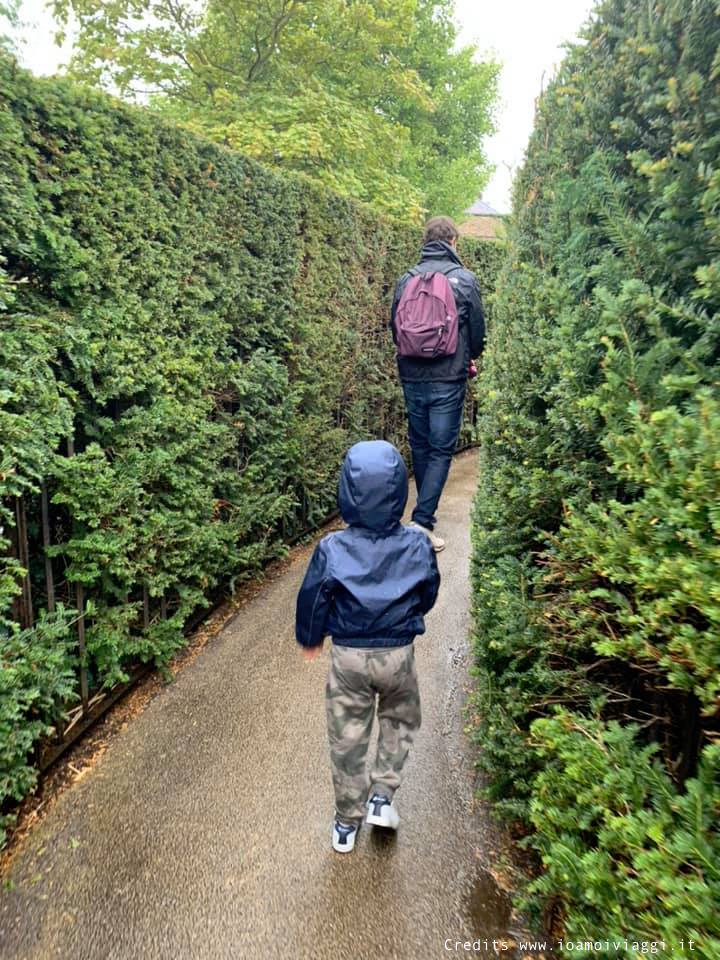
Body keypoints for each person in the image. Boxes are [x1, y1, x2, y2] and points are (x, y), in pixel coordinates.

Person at [295, 440, 440, 853]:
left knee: (347, 736)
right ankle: (382, 795)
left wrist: (311, 638)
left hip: (349, 658)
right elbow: (428, 591)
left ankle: (345, 823)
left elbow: (314, 597)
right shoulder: (417, 543)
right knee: (400, 718)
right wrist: (409, 617)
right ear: (399, 492)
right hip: (398, 654)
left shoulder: (332, 548)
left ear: (346, 491)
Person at [390, 215, 485, 552]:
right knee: (442, 448)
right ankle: (422, 521)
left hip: (412, 374)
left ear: (425, 241)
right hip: (448, 376)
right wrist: (469, 356)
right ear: (453, 242)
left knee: (420, 443)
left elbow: (394, 328)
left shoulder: (406, 280)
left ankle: (421, 514)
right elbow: (477, 333)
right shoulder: (465, 280)